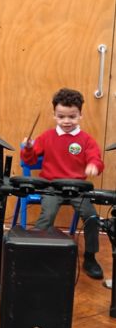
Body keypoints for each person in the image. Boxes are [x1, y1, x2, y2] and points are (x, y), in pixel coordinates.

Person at [21, 87, 105, 279]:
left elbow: (96, 159)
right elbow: (30, 160)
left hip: (77, 186)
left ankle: (90, 257)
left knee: (92, 217)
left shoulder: (86, 140)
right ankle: (35, 252)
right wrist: (29, 148)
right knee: (47, 215)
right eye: (61, 117)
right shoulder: (46, 136)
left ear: (80, 115)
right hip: (51, 185)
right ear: (54, 115)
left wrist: (94, 165)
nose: (66, 121)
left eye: (72, 117)